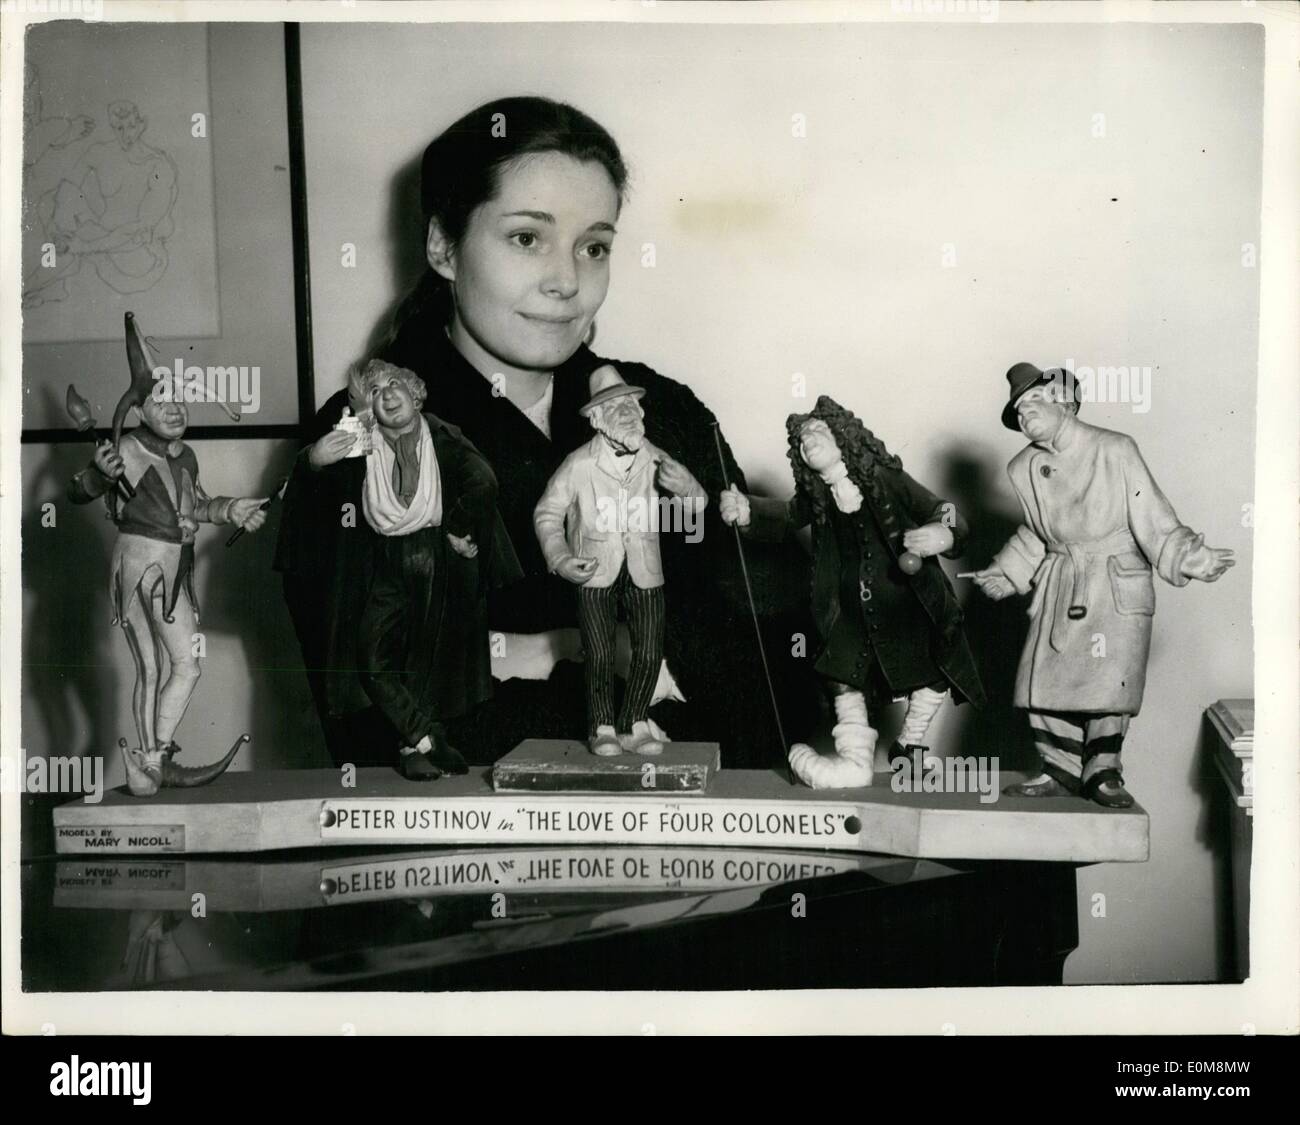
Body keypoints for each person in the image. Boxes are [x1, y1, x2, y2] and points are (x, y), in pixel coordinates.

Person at [277, 96, 817, 767]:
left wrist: (535, 651)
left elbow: (767, 689)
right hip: (464, 854)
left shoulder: (671, 414)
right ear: (443, 246)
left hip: (701, 847)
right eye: (526, 238)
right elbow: (378, 716)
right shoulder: (360, 434)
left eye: (593, 246)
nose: (567, 280)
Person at [971, 364, 1234, 808]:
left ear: (1065, 403)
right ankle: (1058, 767)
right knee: (1045, 680)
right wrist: (1008, 571)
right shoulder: (1024, 467)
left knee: (1109, 682)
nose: (1024, 414)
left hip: (1113, 581)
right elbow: (1039, 532)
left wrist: (1191, 555)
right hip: (1062, 582)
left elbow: (1150, 514)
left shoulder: (1114, 449)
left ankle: (1102, 770)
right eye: (1018, 410)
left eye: (1033, 402)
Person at [720, 396, 985, 788]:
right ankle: (854, 760)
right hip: (844, 613)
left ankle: (909, 745)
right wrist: (748, 511)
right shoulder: (818, 497)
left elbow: (941, 508)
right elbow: (787, 516)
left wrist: (942, 533)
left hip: (907, 606)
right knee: (843, 677)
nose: (808, 441)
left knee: (934, 667)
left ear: (843, 436)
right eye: (802, 441)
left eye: (817, 432)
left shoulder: (886, 478)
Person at [284, 359, 519, 776]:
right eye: (374, 392)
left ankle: (415, 751)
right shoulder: (357, 444)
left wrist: (459, 528)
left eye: (395, 385)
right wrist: (313, 460)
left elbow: (484, 481)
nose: (387, 395)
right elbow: (311, 499)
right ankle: (426, 737)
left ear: (414, 393)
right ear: (365, 407)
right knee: (370, 659)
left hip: (435, 556)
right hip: (380, 562)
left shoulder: (444, 436)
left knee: (425, 658)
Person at [68, 388, 267, 796]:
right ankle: (150, 763)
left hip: (177, 570)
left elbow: (196, 504)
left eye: (179, 399)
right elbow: (80, 491)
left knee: (188, 664)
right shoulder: (124, 447)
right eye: (161, 402)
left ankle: (156, 758)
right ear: (138, 410)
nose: (174, 408)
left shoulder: (185, 455)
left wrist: (230, 509)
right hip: (139, 568)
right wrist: (97, 475)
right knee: (151, 667)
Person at [536, 365, 707, 756]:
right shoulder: (578, 464)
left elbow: (696, 506)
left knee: (648, 650)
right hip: (593, 569)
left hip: (645, 567)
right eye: (615, 406)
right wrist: (561, 558)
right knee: (599, 651)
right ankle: (602, 727)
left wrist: (689, 488)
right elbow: (547, 513)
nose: (627, 410)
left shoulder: (655, 457)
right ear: (596, 418)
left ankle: (635, 722)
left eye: (631, 403)